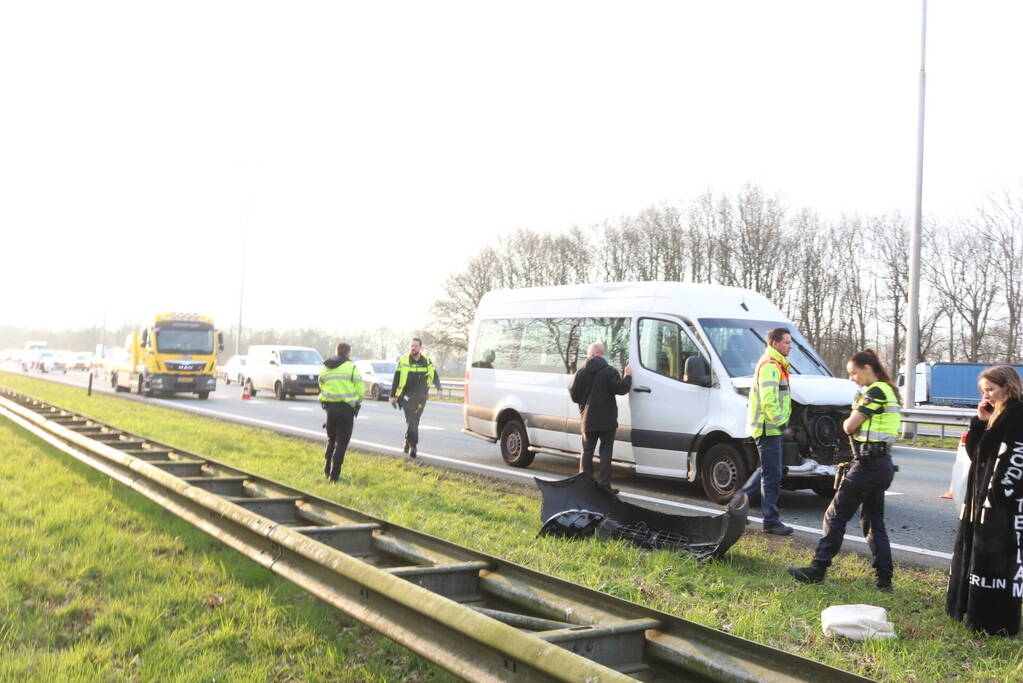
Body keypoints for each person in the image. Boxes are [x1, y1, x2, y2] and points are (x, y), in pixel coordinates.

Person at [788, 349, 900, 590]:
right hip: (881, 464)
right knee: (873, 522)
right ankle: (884, 580)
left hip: (869, 464)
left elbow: (850, 426)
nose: (851, 379)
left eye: (853, 373)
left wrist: (847, 421)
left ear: (867, 369)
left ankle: (818, 568)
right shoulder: (885, 391)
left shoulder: (876, 391)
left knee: (835, 514)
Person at [946, 365, 1023, 635]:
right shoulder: (997, 413)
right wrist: (980, 421)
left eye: (991, 389)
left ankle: (993, 622)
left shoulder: (1017, 413)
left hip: (1001, 504)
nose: (986, 395)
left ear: (1008, 386)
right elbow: (977, 453)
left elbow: (1015, 460)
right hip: (981, 498)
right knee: (976, 556)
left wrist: (996, 498)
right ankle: (971, 611)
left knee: (997, 562)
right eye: (983, 391)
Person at [739, 327, 795, 535]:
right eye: (787, 342)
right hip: (767, 428)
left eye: (790, 342)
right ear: (775, 344)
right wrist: (781, 424)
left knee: (769, 471)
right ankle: (770, 521)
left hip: (769, 428)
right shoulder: (771, 366)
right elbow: (769, 401)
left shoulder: (777, 365)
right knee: (772, 474)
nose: (790, 346)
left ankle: (737, 506)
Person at [569, 342, 632, 493]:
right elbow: (621, 388)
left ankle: (585, 485)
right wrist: (628, 376)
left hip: (588, 419)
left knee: (587, 451)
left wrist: (585, 402)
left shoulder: (580, 372)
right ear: (602, 354)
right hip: (607, 420)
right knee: (605, 453)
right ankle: (604, 486)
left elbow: (574, 395)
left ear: (590, 354)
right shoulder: (609, 371)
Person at [390, 337, 443, 458]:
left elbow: (434, 375)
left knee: (415, 420)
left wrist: (439, 388)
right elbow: (396, 378)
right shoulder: (403, 360)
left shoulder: (426, 361)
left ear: (420, 347)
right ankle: (413, 446)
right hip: (406, 396)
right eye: (412, 346)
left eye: (415, 346)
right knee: (411, 419)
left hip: (421, 397)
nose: (413, 348)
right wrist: (392, 396)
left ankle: (407, 442)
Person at [318, 343, 364, 482]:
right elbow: (361, 390)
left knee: (331, 440)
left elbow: (320, 383)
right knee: (342, 442)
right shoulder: (351, 367)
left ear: (336, 352)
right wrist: (356, 401)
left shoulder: (325, 366)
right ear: (348, 353)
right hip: (346, 409)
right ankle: (334, 475)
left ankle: (326, 470)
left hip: (329, 408)